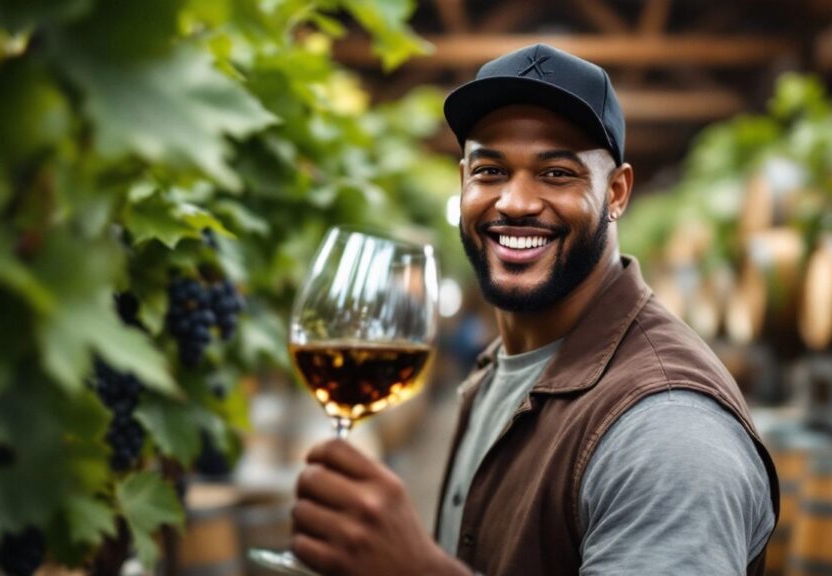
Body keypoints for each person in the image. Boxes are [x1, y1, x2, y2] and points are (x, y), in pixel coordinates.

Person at [291, 43, 779, 576]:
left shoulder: (669, 432)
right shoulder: (502, 370)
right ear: (463, 181)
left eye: (556, 174)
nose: (515, 202)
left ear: (616, 192)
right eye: (490, 171)